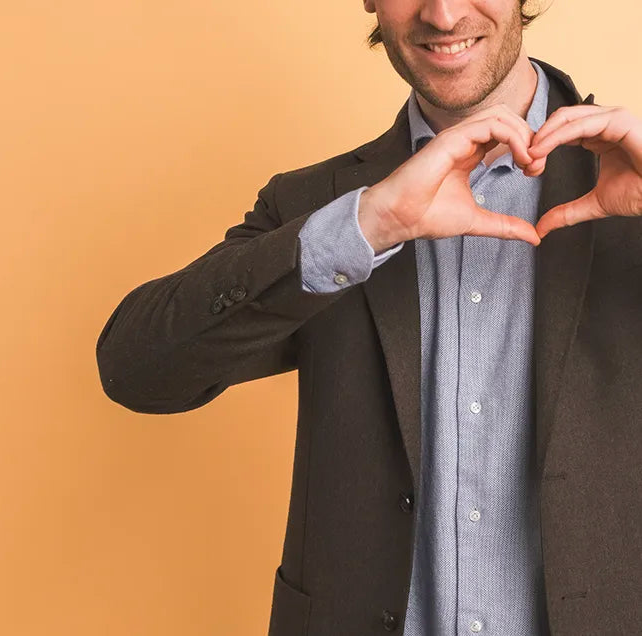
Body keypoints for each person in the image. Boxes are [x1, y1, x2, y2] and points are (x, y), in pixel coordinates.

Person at [95, 1, 642, 634]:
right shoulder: (318, 205)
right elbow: (137, 369)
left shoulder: (628, 180)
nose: (441, 14)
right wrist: (365, 226)